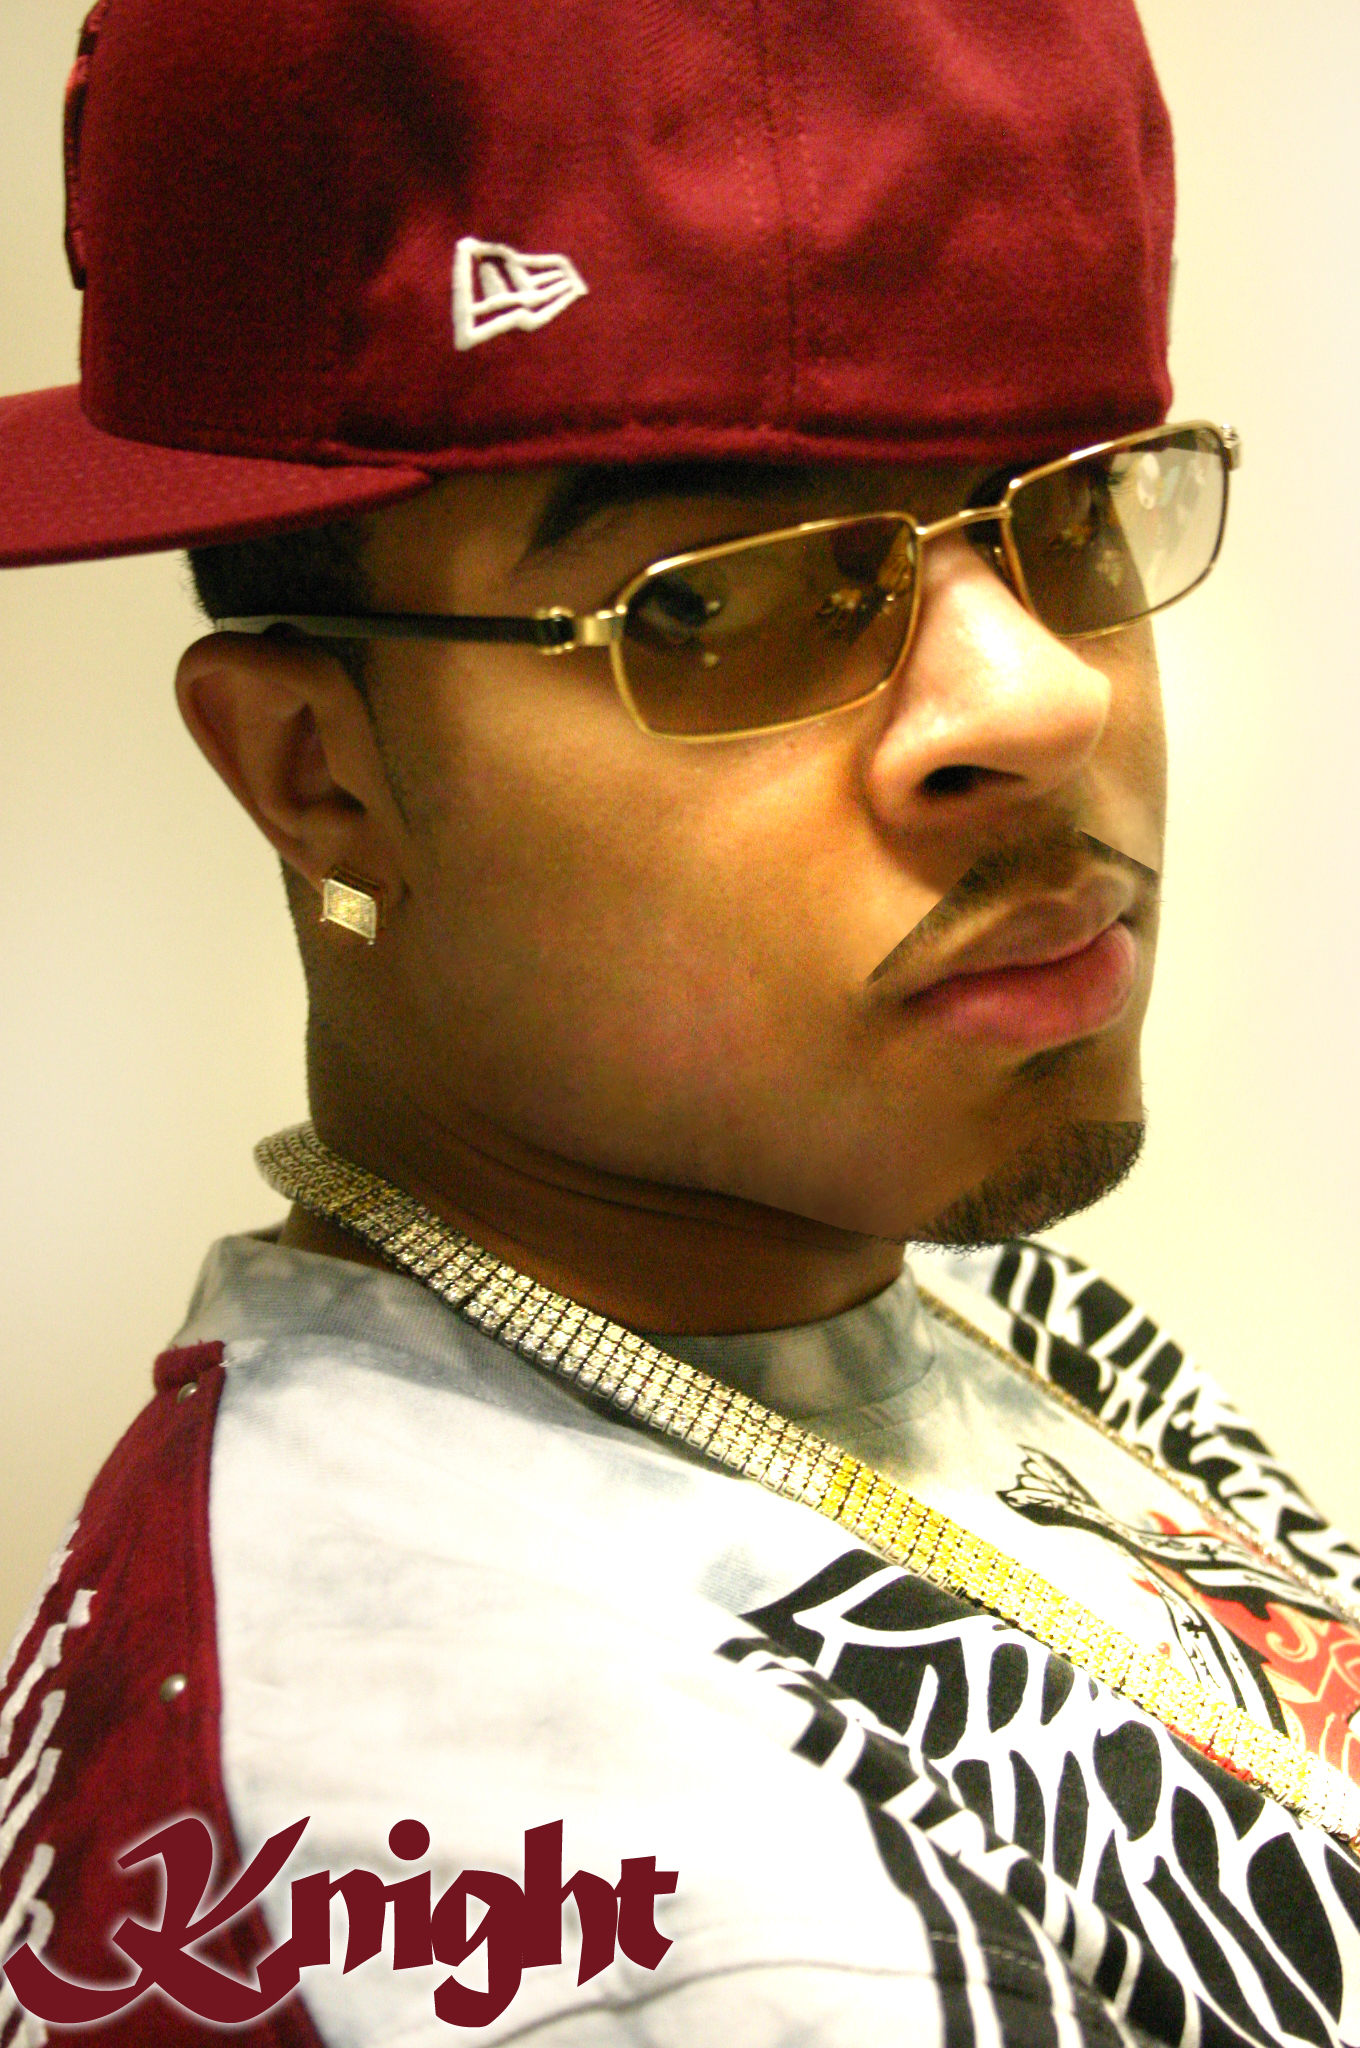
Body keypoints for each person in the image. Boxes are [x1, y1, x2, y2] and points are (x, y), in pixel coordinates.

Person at [2, 1, 1359, 2043]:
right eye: (718, 598)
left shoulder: (904, 1285)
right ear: (315, 775)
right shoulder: (595, 1904)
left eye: (1069, 510)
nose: (1044, 696)